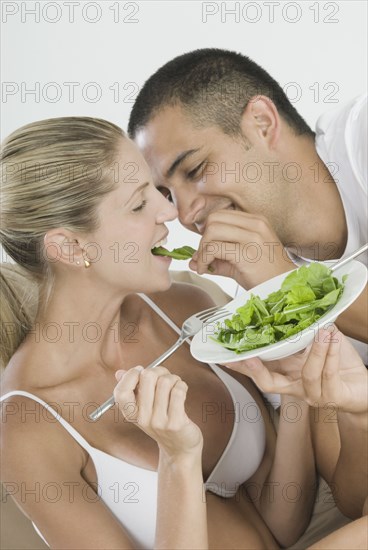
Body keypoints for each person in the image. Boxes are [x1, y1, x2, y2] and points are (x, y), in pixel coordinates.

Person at [0, 116, 364, 549]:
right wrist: (178, 458)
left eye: (157, 192)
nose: (170, 211)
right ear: (70, 246)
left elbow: (278, 524)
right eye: (139, 204)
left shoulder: (184, 309)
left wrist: (295, 396)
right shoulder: (27, 429)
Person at [127, 48, 367, 348]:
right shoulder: (261, 296)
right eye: (168, 195)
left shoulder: (361, 138)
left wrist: (289, 283)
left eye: (195, 169)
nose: (186, 215)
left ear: (262, 123)